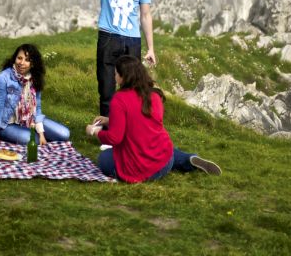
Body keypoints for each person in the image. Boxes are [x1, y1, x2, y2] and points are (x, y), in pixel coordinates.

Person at [85, 55, 221, 183]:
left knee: (104, 158)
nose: (114, 77)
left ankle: (180, 161)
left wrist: (94, 131)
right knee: (165, 150)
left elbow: (115, 138)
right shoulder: (154, 95)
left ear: (123, 77)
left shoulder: (119, 99)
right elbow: (139, 121)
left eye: (116, 73)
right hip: (164, 161)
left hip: (137, 168)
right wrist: (110, 120)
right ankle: (188, 159)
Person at [0, 43, 70, 147]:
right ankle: (17, 134)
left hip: (30, 119)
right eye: (19, 58)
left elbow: (37, 108)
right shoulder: (3, 77)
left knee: (64, 134)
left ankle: (32, 132)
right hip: (7, 123)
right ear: (14, 58)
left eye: (27, 60)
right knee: (32, 140)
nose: (22, 63)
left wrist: (41, 133)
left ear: (33, 64)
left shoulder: (35, 78)